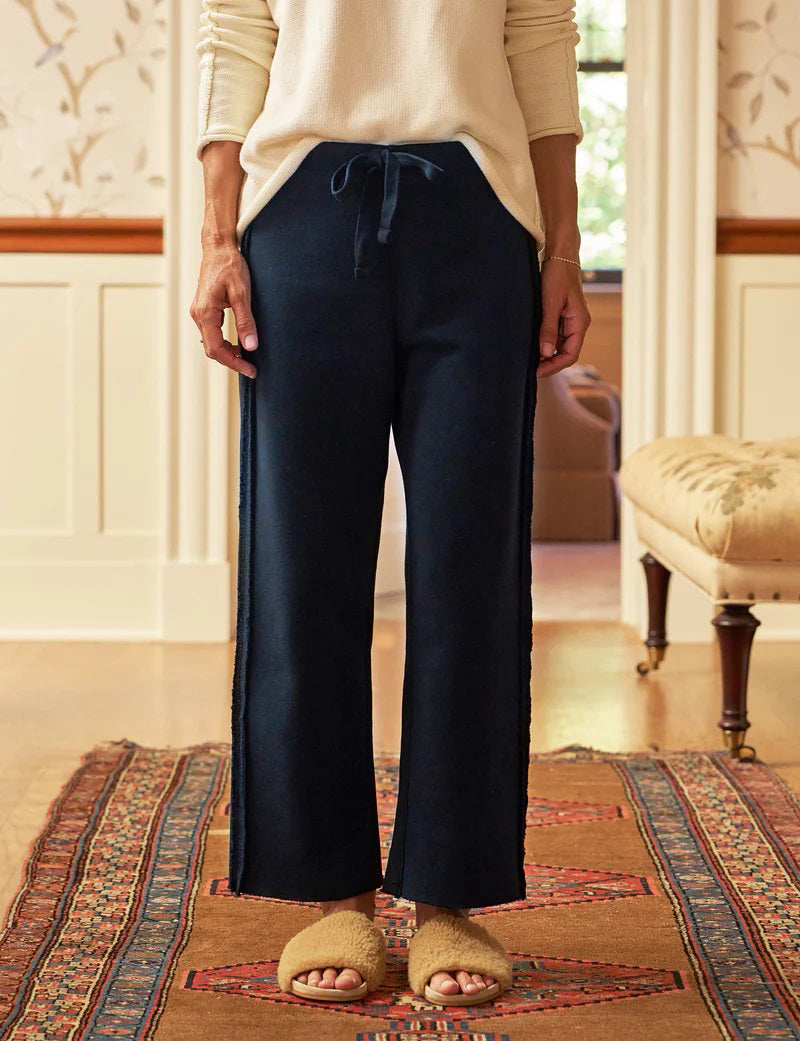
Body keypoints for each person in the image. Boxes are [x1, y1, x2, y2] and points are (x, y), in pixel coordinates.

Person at [191, 0, 591, 1009]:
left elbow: (538, 39)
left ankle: (451, 896)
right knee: (302, 567)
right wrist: (215, 239)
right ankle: (332, 890)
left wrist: (560, 247)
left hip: (479, 219)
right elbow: (238, 34)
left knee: (468, 567)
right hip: (300, 217)